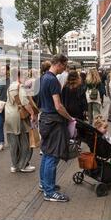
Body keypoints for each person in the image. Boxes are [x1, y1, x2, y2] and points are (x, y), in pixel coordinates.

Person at [38, 54, 74, 202]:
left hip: (45, 119)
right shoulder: (52, 80)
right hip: (54, 121)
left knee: (47, 154)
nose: (65, 69)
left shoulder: (43, 78)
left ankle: (44, 184)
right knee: (52, 156)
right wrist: (70, 118)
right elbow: (58, 106)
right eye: (64, 65)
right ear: (58, 63)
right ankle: (49, 192)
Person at [5, 68, 37, 173]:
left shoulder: (10, 86)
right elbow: (24, 102)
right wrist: (32, 113)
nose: (26, 78)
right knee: (25, 141)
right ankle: (24, 164)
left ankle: (14, 165)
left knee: (13, 142)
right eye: (25, 76)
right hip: (20, 117)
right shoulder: (20, 86)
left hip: (9, 115)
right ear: (20, 76)